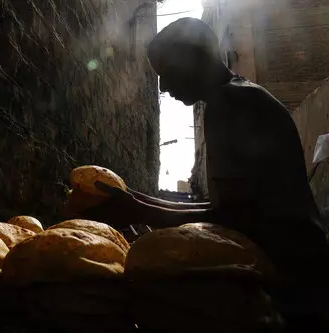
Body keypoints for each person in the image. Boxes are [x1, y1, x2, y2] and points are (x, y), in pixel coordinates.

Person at [80, 17, 329, 332]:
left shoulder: (229, 102)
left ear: (194, 58)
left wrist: (141, 211)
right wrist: (136, 200)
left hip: (293, 274)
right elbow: (227, 208)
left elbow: (232, 216)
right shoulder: (240, 94)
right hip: (302, 263)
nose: (163, 87)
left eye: (166, 72)